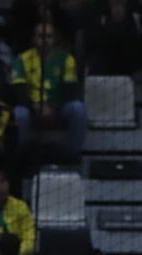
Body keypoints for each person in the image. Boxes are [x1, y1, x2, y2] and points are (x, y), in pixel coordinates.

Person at [10, 21, 86, 159]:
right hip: (31, 107)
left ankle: (73, 156)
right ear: (33, 38)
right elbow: (18, 90)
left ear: (55, 39)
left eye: (49, 36)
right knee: (19, 114)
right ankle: (23, 157)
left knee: (78, 108)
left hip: (58, 107)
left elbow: (70, 90)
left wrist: (53, 107)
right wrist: (35, 106)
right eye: (40, 36)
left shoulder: (66, 59)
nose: (45, 40)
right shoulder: (22, 59)